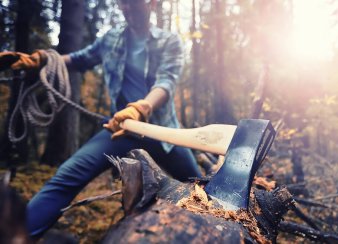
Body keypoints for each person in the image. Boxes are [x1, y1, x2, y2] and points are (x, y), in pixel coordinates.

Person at [0, 0, 201, 239]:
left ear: (152, 4)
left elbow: (166, 81)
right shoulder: (111, 39)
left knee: (199, 185)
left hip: (164, 133)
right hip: (120, 130)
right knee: (67, 176)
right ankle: (18, 234)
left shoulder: (169, 41)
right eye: (123, 3)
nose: (127, 9)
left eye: (134, 4)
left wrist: (141, 107)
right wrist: (42, 59)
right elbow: (79, 59)